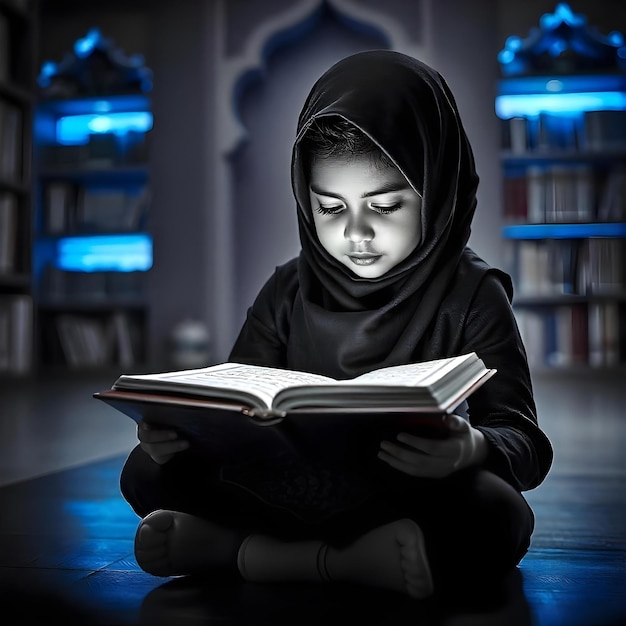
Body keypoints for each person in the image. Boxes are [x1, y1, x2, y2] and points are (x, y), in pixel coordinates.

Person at [119, 50, 553, 600]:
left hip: (401, 490)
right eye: (329, 207)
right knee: (144, 470)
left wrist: (469, 448)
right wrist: (181, 432)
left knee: (499, 513)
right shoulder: (287, 288)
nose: (356, 234)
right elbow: (234, 400)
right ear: (305, 201)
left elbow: (526, 441)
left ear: (437, 191)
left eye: (386, 206)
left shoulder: (474, 295)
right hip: (284, 484)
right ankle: (346, 562)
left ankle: (235, 552)